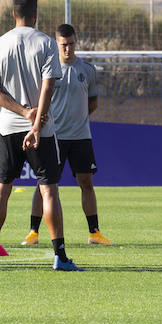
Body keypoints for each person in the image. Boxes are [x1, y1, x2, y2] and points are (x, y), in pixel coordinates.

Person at [0, 0, 80, 271]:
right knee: (49, 192)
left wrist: (21, 113)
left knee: (1, 191)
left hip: (8, 128)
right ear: (36, 15)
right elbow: (48, 85)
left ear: (13, 14)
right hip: (42, 131)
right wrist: (35, 123)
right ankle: (59, 256)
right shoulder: (46, 43)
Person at [46, 23, 112, 245]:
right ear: (57, 44)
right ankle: (33, 231)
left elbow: (93, 102)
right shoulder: (47, 70)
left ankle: (94, 232)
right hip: (53, 136)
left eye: (71, 44)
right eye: (64, 45)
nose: (68, 49)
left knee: (86, 182)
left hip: (81, 136)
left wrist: (78, 118)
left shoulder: (87, 70)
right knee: (45, 184)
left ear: (76, 43)